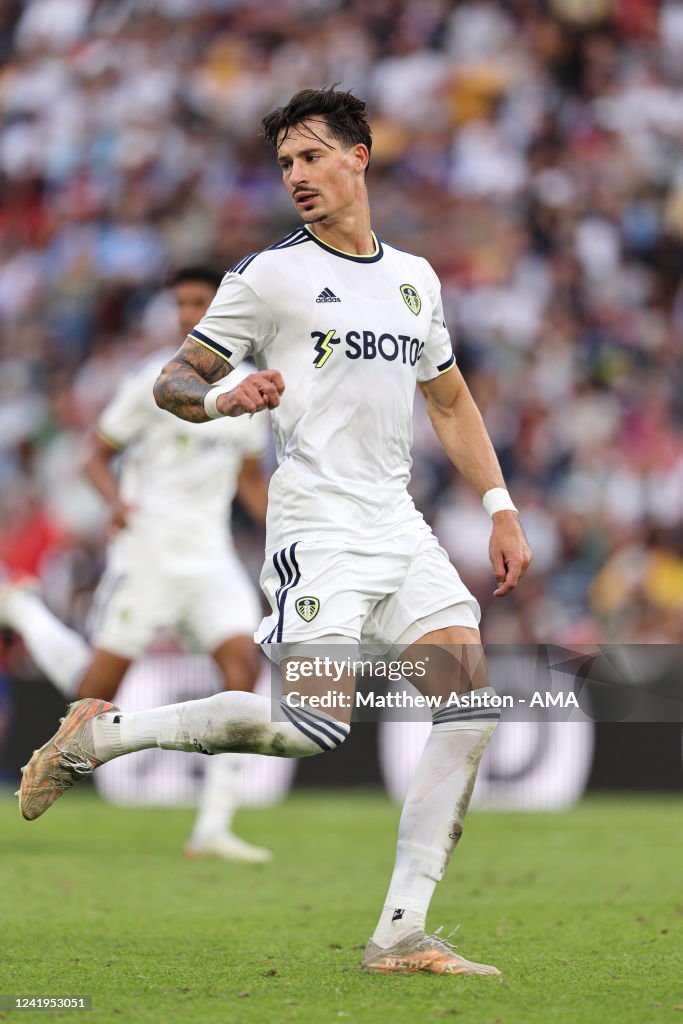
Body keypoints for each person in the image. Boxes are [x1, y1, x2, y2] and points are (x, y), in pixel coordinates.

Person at [18, 89, 532, 976]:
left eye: (311, 156)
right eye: (285, 163)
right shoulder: (267, 276)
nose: (295, 175)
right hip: (318, 526)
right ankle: (99, 737)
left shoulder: (414, 277)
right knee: (311, 730)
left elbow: (447, 399)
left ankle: (400, 934)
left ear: (358, 157)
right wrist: (224, 397)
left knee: (470, 705)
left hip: (396, 522)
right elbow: (172, 383)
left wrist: (498, 506)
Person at [6, 266, 273, 863]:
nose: (188, 314)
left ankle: (213, 826)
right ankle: (25, 610)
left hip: (209, 557)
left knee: (242, 668)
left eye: (199, 302)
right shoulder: (155, 381)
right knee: (93, 696)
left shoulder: (253, 387)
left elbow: (251, 479)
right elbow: (95, 453)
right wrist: (116, 500)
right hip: (147, 551)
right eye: (180, 302)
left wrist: (283, 529)